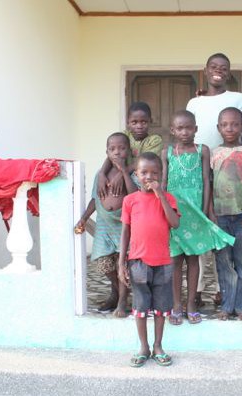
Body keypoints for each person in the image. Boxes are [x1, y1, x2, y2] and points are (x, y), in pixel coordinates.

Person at [186, 52, 242, 308]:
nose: (218, 71)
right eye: (213, 67)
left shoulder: (237, 98)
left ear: (229, 72)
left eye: (223, 68)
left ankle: (226, 290)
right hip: (200, 169)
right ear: (205, 69)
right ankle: (200, 288)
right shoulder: (195, 102)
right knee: (202, 230)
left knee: (226, 239)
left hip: (228, 170)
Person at [161, 110, 235, 325]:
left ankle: (191, 303)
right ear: (173, 130)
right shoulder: (167, 152)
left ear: (196, 129)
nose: (185, 132)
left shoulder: (203, 150)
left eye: (189, 127)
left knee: (194, 259)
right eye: (180, 128)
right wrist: (163, 210)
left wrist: (205, 211)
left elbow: (206, 179)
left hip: (196, 212)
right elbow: (164, 182)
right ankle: (176, 303)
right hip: (175, 211)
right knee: (175, 260)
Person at [118, 152, 180, 368]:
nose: (149, 177)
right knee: (141, 307)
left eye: (154, 173)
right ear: (136, 174)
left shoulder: (168, 198)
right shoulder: (130, 200)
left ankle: (158, 346)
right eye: (144, 172)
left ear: (161, 175)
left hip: (163, 262)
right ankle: (143, 347)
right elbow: (125, 232)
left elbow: (175, 224)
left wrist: (161, 195)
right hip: (138, 262)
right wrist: (120, 263)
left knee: (162, 308)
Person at [75, 133, 136, 317]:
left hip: (123, 226)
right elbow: (95, 198)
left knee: (122, 265)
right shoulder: (100, 175)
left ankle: (122, 301)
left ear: (129, 151)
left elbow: (134, 196)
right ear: (107, 151)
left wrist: (124, 173)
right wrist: (84, 218)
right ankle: (117, 291)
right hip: (103, 225)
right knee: (103, 263)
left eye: (122, 148)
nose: (117, 152)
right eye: (112, 149)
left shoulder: (133, 172)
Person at [210, 107, 242, 321]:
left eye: (234, 124)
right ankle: (227, 305)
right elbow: (209, 184)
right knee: (223, 262)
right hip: (220, 217)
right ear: (218, 128)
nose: (229, 128)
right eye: (224, 125)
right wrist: (211, 214)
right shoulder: (212, 154)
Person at [97, 102, 163, 199]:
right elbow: (111, 156)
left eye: (144, 122)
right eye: (134, 122)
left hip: (141, 175)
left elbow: (142, 162)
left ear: (151, 121)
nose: (139, 126)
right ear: (128, 122)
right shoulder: (125, 135)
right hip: (122, 171)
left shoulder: (154, 140)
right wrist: (102, 173)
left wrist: (122, 174)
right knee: (100, 176)